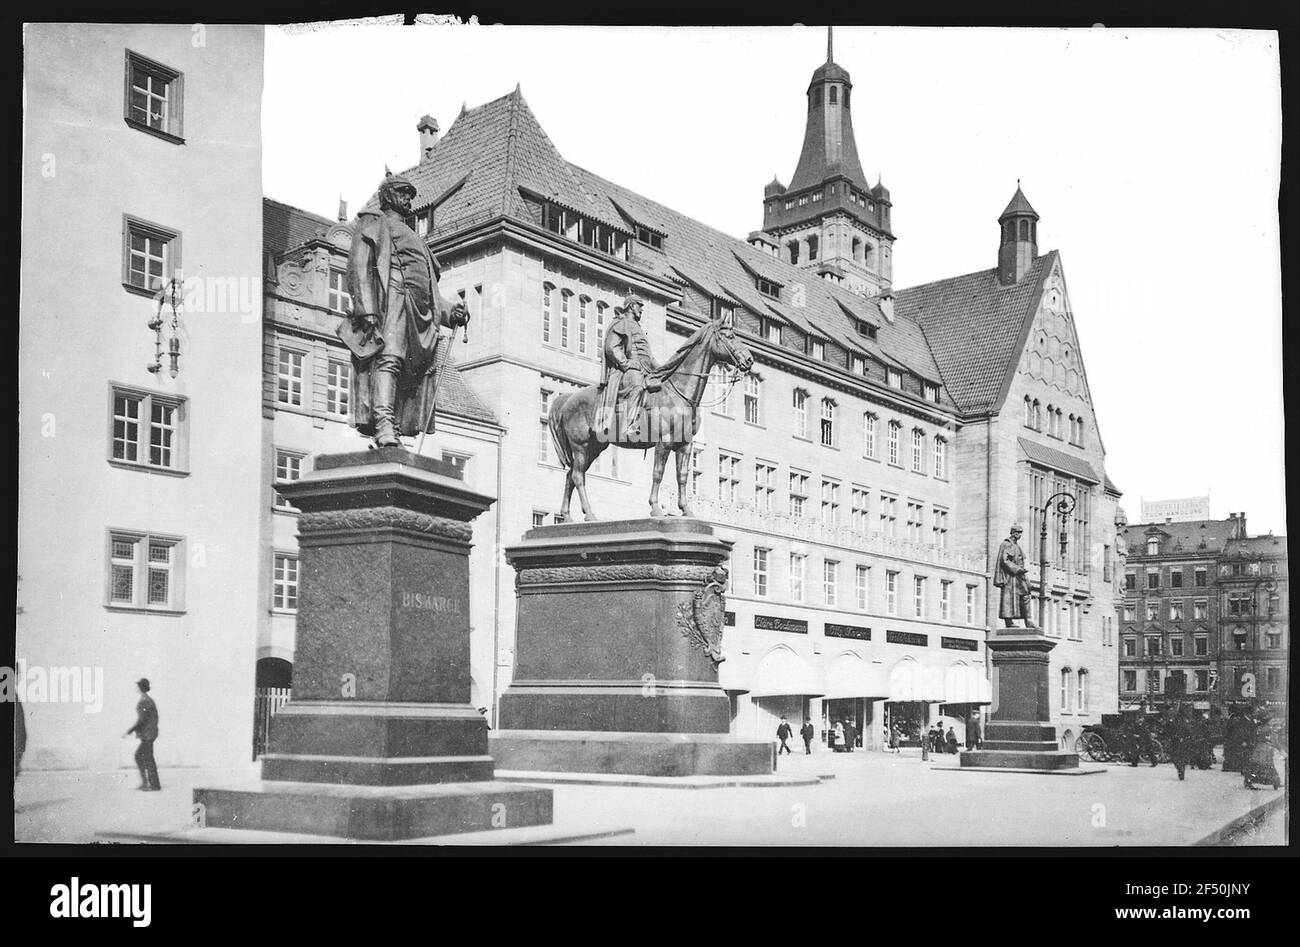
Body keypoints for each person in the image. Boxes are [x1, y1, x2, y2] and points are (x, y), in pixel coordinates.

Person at [344, 172, 470, 447]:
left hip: (418, 313)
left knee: (410, 370)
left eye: (410, 196)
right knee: (389, 359)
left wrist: (450, 313)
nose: (408, 200)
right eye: (403, 193)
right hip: (391, 302)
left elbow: (430, 293)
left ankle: (396, 428)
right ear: (388, 196)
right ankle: (384, 424)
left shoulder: (418, 240)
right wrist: (367, 310)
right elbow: (359, 268)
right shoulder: (373, 223)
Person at [596, 294, 661, 441]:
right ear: (632, 306)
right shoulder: (621, 323)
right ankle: (629, 426)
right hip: (628, 370)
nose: (641, 310)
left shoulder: (637, 327)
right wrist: (627, 363)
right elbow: (611, 347)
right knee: (637, 384)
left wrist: (664, 371)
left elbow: (648, 356)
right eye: (640, 305)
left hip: (644, 368)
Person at [994, 525, 1037, 629]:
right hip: (1010, 576)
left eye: (1021, 532)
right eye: (1018, 532)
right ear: (1013, 533)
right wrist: (1017, 569)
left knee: (1026, 595)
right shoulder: (1007, 544)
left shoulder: (1017, 546)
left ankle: (1028, 620)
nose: (1020, 534)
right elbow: (1005, 560)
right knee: (1008, 598)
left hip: (1019, 576)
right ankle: (1008, 621)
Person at [124, 678, 161, 791]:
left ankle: (152, 785)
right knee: (144, 757)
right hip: (149, 733)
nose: (137, 687)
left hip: (148, 735)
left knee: (143, 757)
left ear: (141, 687)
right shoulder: (148, 700)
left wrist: (130, 730)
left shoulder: (144, 701)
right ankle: (150, 784)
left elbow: (142, 720)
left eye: (138, 686)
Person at [1242, 715, 1281, 790]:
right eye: (1271, 720)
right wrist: (1279, 748)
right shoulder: (1268, 729)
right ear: (1267, 721)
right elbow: (1273, 740)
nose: (1272, 722)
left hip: (1258, 748)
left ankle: (1249, 781)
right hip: (1266, 748)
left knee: (1255, 765)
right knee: (1268, 765)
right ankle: (1275, 782)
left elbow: (1255, 738)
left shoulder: (1258, 728)